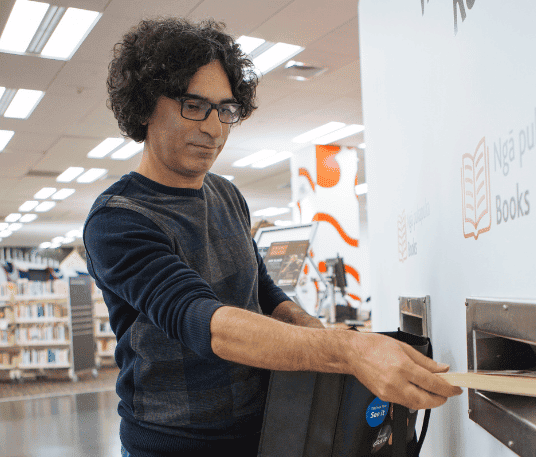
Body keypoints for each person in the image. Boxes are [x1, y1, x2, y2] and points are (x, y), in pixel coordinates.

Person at [83, 18, 461, 457]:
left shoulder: (227, 194)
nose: (214, 129)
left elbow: (261, 291)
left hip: (263, 429)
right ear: (146, 105)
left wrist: (313, 329)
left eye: (225, 110)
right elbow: (205, 323)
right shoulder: (119, 220)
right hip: (174, 443)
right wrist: (348, 350)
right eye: (194, 105)